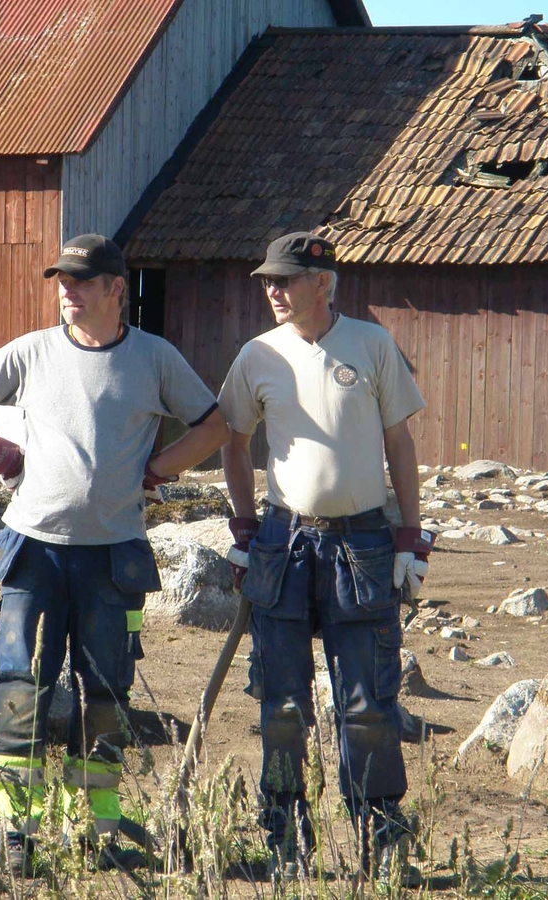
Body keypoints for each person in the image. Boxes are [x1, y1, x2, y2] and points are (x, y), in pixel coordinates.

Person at [0, 234, 229, 874]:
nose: (66, 291)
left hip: (112, 559)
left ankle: (93, 832)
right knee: (19, 689)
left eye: (80, 281)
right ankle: (7, 834)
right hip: (33, 550)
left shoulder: (154, 358)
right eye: (61, 281)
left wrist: (161, 468)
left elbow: (214, 423)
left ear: (114, 289)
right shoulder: (33, 351)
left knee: (105, 696)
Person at [218, 232, 433, 886]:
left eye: (286, 280)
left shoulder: (371, 345)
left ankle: (384, 850)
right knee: (282, 706)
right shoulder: (257, 355)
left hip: (364, 544)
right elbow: (233, 440)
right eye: (267, 282)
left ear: (325, 283)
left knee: (368, 703)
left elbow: (399, 444)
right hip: (284, 544)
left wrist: (410, 537)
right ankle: (286, 847)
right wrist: (243, 526)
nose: (274, 292)